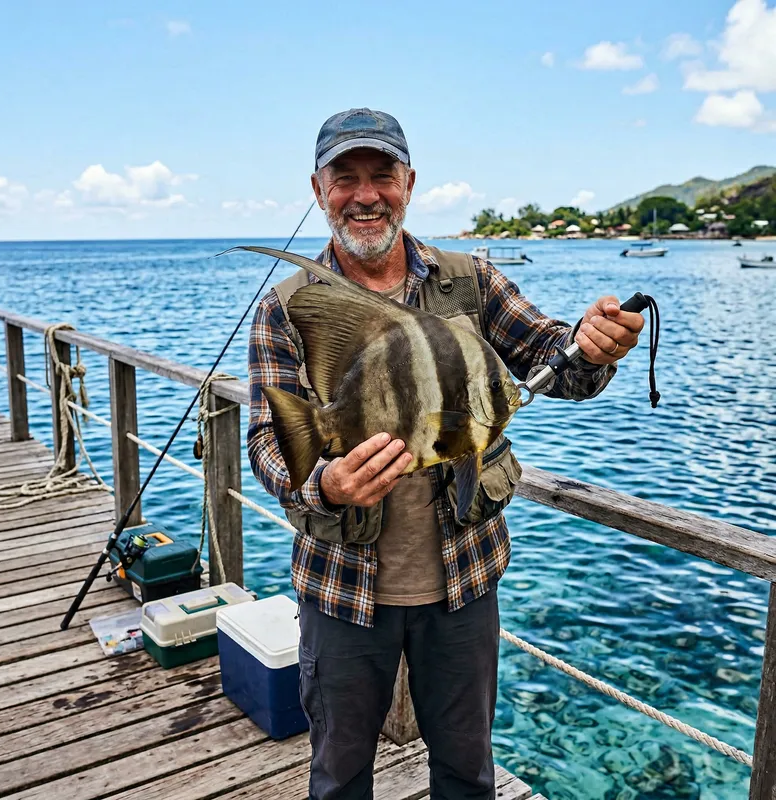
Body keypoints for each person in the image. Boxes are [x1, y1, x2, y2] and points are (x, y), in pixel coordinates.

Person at [248, 108, 644, 800]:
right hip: (340, 588)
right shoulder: (288, 306)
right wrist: (324, 484)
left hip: (464, 587)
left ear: (409, 184)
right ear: (318, 191)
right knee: (338, 775)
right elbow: (264, 438)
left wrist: (596, 345)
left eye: (383, 176)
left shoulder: (471, 281)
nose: (365, 195)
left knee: (466, 772)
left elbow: (559, 362)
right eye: (346, 179)